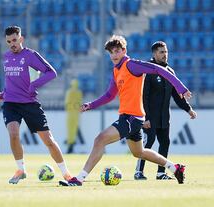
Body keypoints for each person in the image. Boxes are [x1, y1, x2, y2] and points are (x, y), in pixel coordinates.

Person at [59, 35, 191, 186]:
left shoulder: (131, 65)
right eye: (111, 52)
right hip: (131, 118)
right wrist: (90, 105)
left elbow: (157, 69)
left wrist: (180, 87)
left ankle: (79, 179)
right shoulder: (116, 70)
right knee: (139, 153)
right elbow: (109, 95)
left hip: (131, 118)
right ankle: (175, 168)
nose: (114, 55)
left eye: (116, 51)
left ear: (124, 51)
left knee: (100, 139)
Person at [0, 26, 71, 184]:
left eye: (14, 40)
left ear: (21, 39)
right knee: (13, 134)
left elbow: (51, 73)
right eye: (9, 41)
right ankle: (20, 169)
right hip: (10, 103)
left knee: (48, 140)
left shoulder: (31, 55)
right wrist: (3, 94)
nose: (12, 44)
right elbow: (12, 82)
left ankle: (66, 174)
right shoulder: (6, 57)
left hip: (29, 104)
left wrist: (34, 85)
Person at [134, 41, 197, 180]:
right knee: (148, 142)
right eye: (161, 52)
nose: (165, 55)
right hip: (149, 116)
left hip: (164, 116)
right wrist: (146, 117)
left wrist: (188, 109)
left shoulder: (170, 72)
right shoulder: (148, 71)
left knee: (165, 142)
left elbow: (176, 95)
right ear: (154, 53)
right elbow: (143, 97)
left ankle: (161, 172)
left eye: (166, 52)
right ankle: (138, 172)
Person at [65, 79, 83, 154]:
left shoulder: (69, 92)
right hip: (76, 113)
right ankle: (71, 145)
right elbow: (80, 102)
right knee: (74, 130)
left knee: (69, 129)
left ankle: (70, 145)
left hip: (70, 113)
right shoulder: (79, 92)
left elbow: (66, 102)